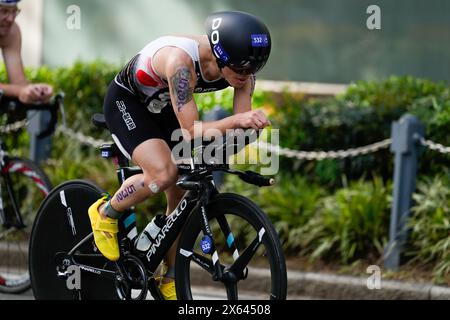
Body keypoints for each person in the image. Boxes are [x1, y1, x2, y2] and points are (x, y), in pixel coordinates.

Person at [88, 10, 272, 300]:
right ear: (220, 55)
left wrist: (249, 130)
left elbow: (240, 124)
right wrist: (239, 123)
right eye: (239, 69)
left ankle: (169, 276)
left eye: (251, 70)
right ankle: (106, 212)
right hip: (128, 103)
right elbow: (190, 128)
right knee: (163, 174)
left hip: (163, 107)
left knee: (183, 191)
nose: (245, 76)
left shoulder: (242, 72)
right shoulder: (180, 63)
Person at [0, 0, 53, 104]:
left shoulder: (11, 32)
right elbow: (19, 90)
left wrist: (35, 91)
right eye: (4, 11)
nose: (11, 19)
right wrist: (19, 91)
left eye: (14, 11)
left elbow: (19, 84)